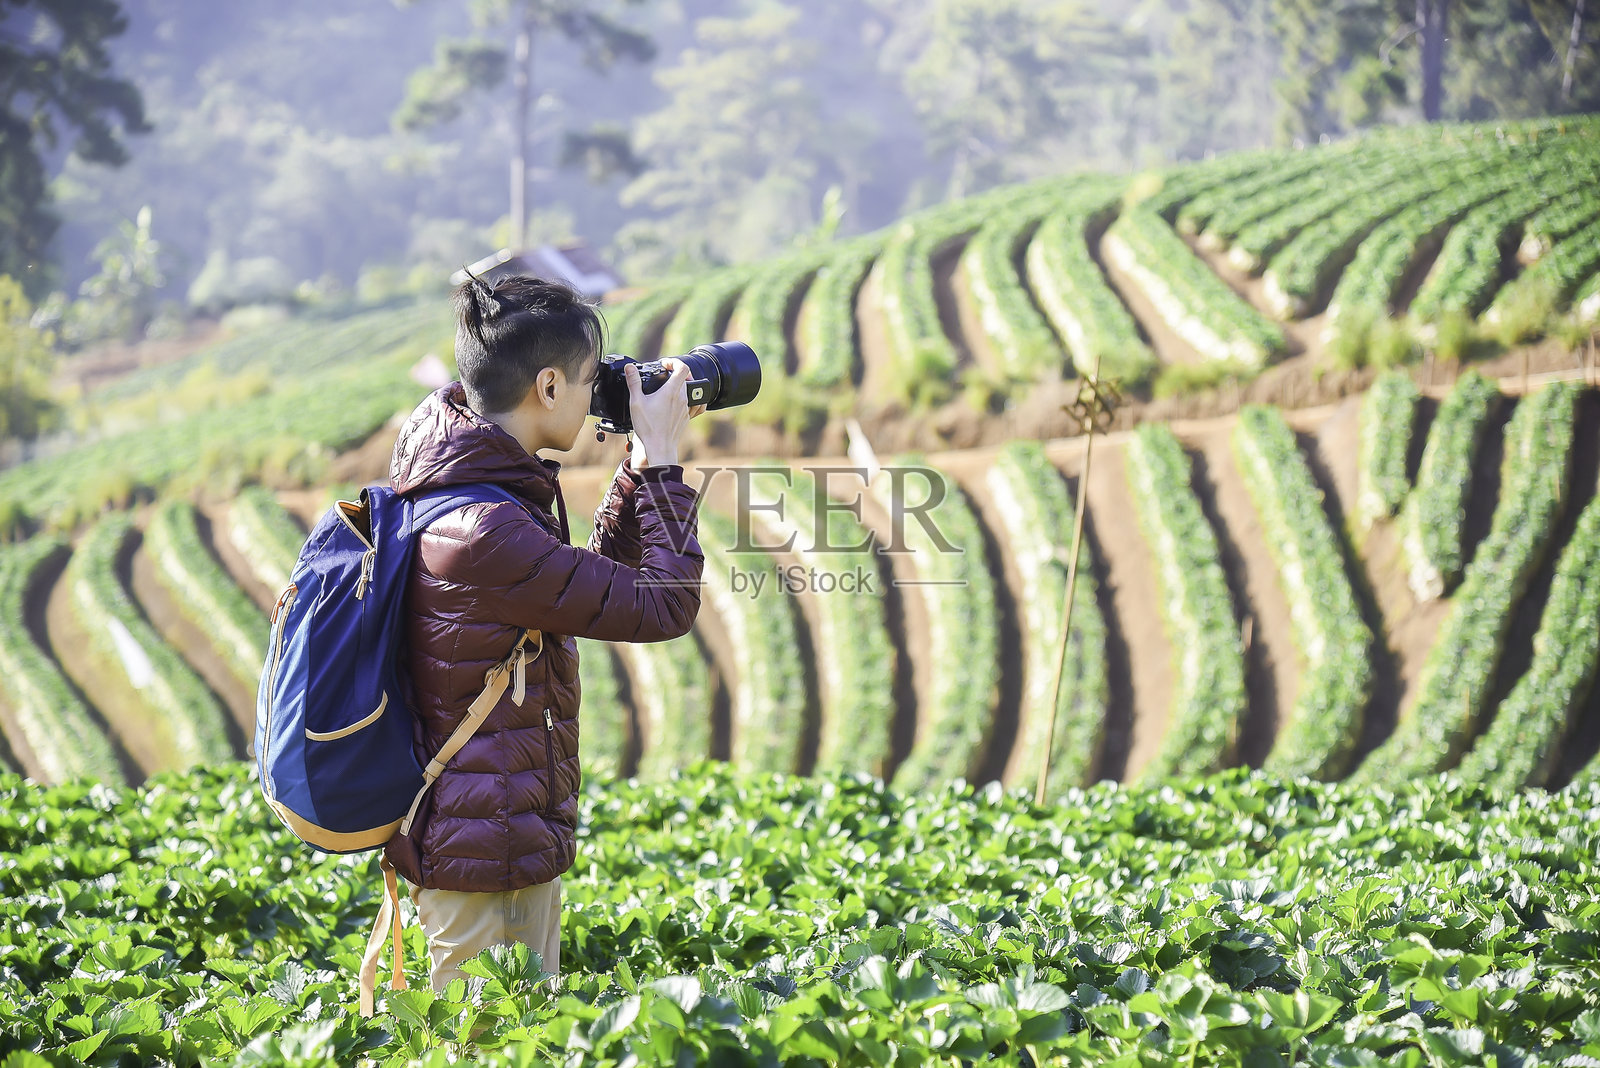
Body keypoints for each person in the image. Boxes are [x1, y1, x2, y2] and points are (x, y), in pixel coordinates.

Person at [383, 273, 706, 993]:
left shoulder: (478, 488)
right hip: (481, 856)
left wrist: (635, 470)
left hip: (500, 838)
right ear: (549, 386)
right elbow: (664, 604)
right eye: (593, 380)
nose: (598, 397)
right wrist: (662, 463)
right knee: (481, 1040)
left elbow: (581, 584)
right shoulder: (484, 528)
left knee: (518, 1036)